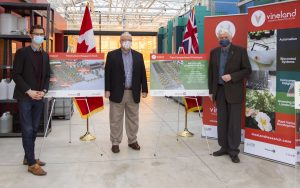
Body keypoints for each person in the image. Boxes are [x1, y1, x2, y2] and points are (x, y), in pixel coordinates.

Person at [208, 28, 252, 163]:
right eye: (221, 37)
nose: (223, 39)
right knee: (222, 121)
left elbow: (247, 70)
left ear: (231, 38)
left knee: (234, 123)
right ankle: (224, 147)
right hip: (219, 92)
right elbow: (211, 73)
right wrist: (211, 91)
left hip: (234, 92)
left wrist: (232, 76)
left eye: (225, 37)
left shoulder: (240, 51)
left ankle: (233, 151)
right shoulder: (214, 52)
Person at [13, 25, 50, 175]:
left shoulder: (45, 55)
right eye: (37, 34)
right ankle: (31, 164)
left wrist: (44, 91)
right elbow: (16, 75)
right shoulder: (22, 53)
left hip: (39, 97)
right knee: (27, 129)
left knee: (35, 128)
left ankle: (29, 157)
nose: (39, 36)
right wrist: (29, 91)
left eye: (42, 34)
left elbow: (47, 76)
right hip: (25, 97)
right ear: (31, 35)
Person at [105, 32, 148, 153]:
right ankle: (115, 142)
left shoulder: (138, 56)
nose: (127, 42)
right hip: (116, 92)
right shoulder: (112, 55)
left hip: (132, 92)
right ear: (120, 41)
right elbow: (107, 73)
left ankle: (132, 141)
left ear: (132, 41)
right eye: (124, 40)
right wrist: (107, 89)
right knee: (115, 118)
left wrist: (144, 89)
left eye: (129, 40)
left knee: (133, 118)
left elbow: (142, 74)